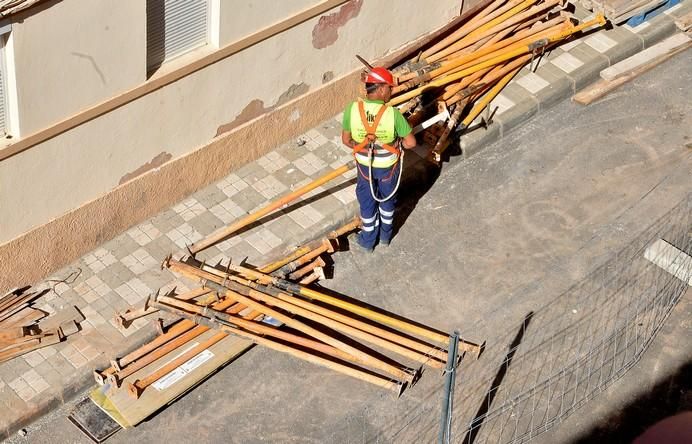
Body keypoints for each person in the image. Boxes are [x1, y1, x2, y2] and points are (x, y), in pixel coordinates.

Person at [341, 67, 416, 252]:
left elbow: (346, 140)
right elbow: (411, 143)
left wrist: (362, 148)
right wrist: (397, 146)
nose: (391, 91)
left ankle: (367, 242)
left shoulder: (352, 109)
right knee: (387, 200)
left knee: (367, 200)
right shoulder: (393, 115)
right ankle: (385, 237)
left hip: (365, 167)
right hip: (387, 168)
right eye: (390, 88)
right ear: (381, 88)